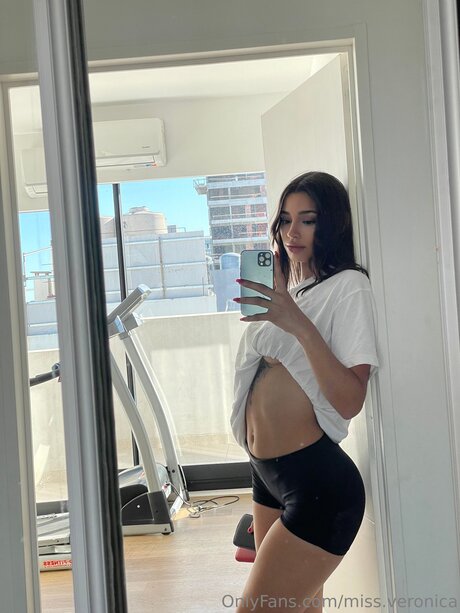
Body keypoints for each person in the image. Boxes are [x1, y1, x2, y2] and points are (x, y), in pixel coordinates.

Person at [230, 171, 380, 612]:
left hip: (318, 482)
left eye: (307, 220)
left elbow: (350, 399)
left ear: (330, 224)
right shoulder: (295, 291)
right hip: (267, 473)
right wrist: (285, 306)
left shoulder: (348, 286)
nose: (292, 231)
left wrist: (294, 321)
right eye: (285, 219)